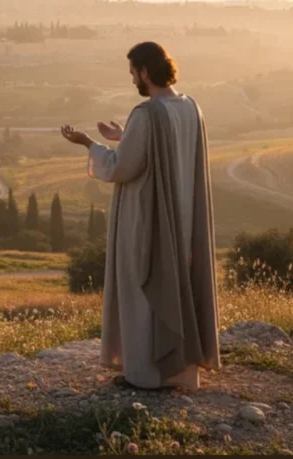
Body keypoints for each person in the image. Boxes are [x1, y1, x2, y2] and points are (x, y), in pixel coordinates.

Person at [60, 41, 220, 390]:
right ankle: (181, 371)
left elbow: (121, 168)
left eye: (133, 72)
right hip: (183, 218)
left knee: (143, 288)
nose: (133, 78)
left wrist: (89, 143)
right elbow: (166, 147)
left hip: (148, 219)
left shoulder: (147, 114)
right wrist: (125, 136)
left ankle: (147, 375)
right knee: (178, 287)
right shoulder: (191, 107)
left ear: (145, 72)